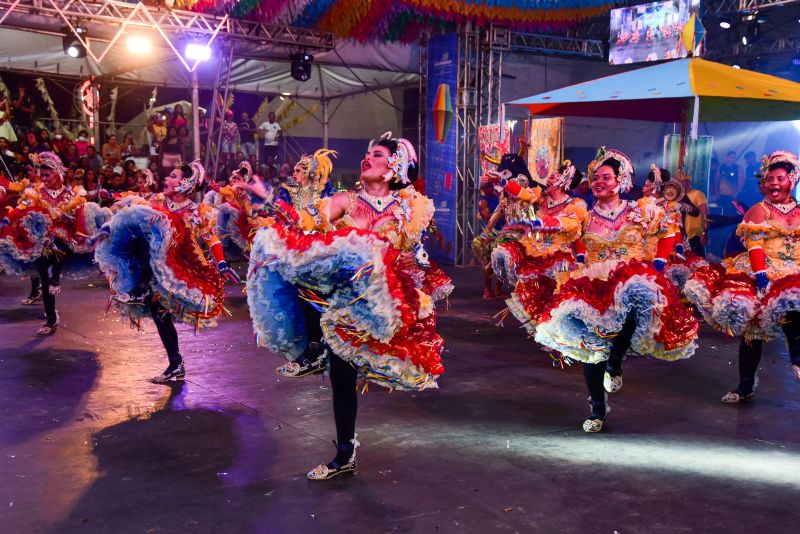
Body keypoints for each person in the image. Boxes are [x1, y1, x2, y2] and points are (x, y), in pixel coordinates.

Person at [246, 133, 449, 480]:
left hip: (380, 305)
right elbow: (305, 221)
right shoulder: (346, 200)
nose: (367, 157)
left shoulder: (408, 209)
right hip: (341, 300)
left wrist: (419, 264)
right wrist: (269, 196)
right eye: (367, 152)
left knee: (382, 365)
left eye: (377, 153)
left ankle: (320, 358)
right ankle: (344, 453)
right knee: (285, 261)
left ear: (393, 166)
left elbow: (410, 254)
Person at [533, 147, 699, 433]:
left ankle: (616, 363)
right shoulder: (583, 214)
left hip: (631, 282)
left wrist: (658, 264)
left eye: (606, 177)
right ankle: (598, 409)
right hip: (594, 286)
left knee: (633, 303)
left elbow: (668, 231)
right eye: (595, 177)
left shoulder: (640, 210)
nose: (599, 182)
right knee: (591, 349)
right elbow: (560, 229)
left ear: (620, 180)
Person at [94, 160, 239, 383]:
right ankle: (176, 363)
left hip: (179, 269)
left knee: (160, 311)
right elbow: (130, 214)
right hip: (154, 268)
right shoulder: (156, 204)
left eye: (172, 175)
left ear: (185, 184)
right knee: (159, 313)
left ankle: (175, 361)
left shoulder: (196, 211)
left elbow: (211, 238)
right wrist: (109, 227)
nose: (166, 179)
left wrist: (221, 263)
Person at [685, 151, 800, 403]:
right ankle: (745, 386)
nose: (773, 184)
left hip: (794, 274)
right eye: (769, 179)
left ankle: (797, 359)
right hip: (762, 272)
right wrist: (761, 274)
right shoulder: (760, 211)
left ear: (792, 180)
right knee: (753, 332)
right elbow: (755, 246)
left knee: (795, 311)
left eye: (779, 178)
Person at [0, 151, 110, 335]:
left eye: (47, 175)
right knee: (44, 271)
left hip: (64, 238)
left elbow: (78, 215)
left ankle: (55, 276)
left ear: (58, 173)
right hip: (42, 241)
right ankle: (51, 319)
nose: (43, 179)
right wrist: (6, 221)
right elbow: (21, 209)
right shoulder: (36, 193)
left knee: (55, 245)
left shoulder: (71, 194)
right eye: (41, 175)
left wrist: (68, 216)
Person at [681, 172, 708, 257]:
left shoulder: (698, 194)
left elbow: (705, 214)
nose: (681, 183)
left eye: (684, 181)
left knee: (698, 260)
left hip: (695, 234)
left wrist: (704, 233)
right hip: (683, 235)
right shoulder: (678, 197)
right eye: (680, 181)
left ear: (689, 182)